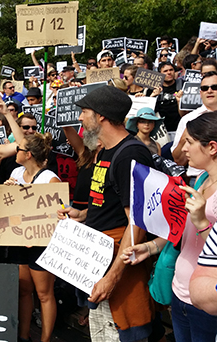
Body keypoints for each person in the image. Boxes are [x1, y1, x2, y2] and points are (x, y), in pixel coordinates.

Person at [57, 86, 160, 342]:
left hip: (118, 265)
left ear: (101, 115)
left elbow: (136, 224)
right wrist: (81, 214)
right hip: (99, 258)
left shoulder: (130, 155)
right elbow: (110, 202)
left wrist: (112, 278)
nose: (80, 118)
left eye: (84, 112)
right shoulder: (104, 150)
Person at [123, 113, 217, 341]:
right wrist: (150, 248)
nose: (183, 149)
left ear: (212, 147)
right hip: (179, 291)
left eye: (190, 143)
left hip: (208, 304)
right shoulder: (202, 178)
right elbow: (184, 231)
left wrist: (202, 223)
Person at [4, 133, 60, 342]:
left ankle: (45, 339)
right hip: (19, 240)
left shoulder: (50, 178)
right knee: (24, 291)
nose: (15, 151)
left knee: (44, 294)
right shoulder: (16, 172)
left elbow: (56, 215)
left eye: (18, 148)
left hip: (41, 244)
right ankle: (24, 335)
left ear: (28, 154)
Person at [172, 71, 217, 173]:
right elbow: (178, 160)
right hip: (198, 178)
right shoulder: (188, 119)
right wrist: (186, 137)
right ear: (200, 93)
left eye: (214, 87)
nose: (209, 91)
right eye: (205, 88)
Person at [156, 61, 182, 133]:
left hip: (180, 128)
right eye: (165, 71)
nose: (169, 73)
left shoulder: (183, 85)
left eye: (171, 70)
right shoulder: (154, 89)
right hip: (162, 131)